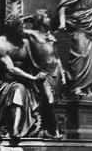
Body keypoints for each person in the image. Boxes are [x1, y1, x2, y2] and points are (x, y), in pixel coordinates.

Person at [0, 14, 46, 140]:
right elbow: (10, 68)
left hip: (19, 82)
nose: (23, 30)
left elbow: (35, 61)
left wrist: (39, 74)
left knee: (18, 90)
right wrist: (33, 78)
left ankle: (15, 131)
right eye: (21, 27)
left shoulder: (25, 43)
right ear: (12, 30)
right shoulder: (0, 45)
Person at [25, 9, 65, 138]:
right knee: (49, 99)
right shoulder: (31, 34)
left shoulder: (50, 36)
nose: (49, 19)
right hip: (44, 72)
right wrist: (28, 18)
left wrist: (63, 74)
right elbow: (13, 27)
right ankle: (54, 132)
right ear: (40, 20)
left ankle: (50, 130)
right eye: (46, 17)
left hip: (56, 72)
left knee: (53, 101)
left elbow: (57, 57)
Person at [58, 0, 92, 96]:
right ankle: (77, 87)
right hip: (77, 29)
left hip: (89, 32)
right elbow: (62, 6)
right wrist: (62, 23)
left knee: (90, 61)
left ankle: (87, 89)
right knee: (80, 56)